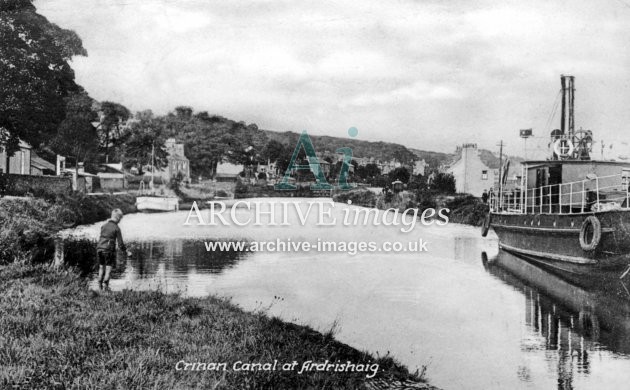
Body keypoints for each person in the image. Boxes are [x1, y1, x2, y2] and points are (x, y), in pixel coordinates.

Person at [96, 209, 131, 289]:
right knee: (108, 268)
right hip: (108, 250)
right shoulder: (116, 228)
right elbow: (120, 244)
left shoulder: (103, 226)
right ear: (118, 218)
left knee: (101, 267)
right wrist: (126, 252)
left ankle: (99, 286)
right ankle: (106, 286)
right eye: (120, 219)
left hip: (99, 248)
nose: (120, 221)